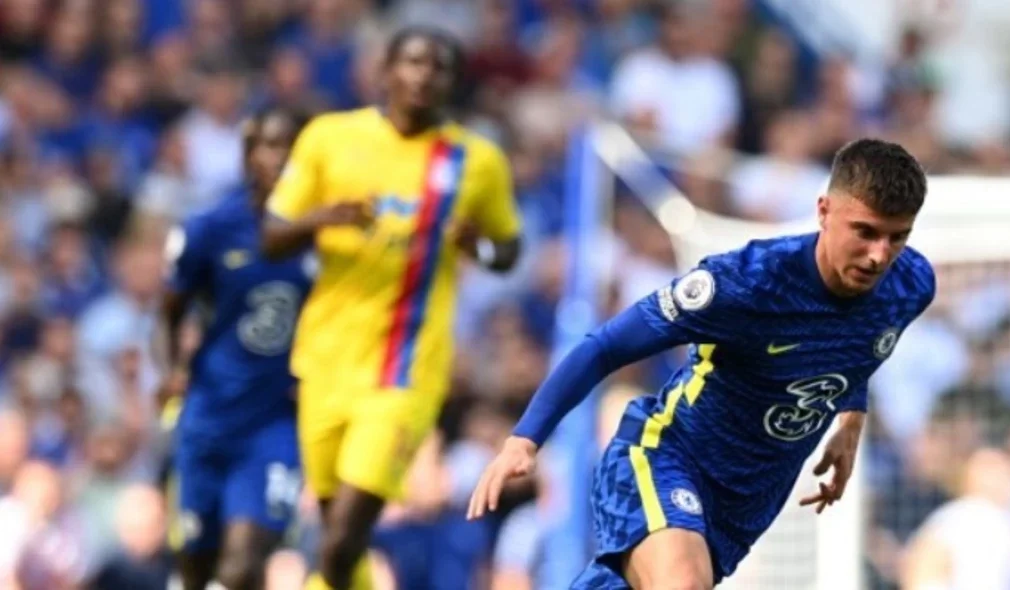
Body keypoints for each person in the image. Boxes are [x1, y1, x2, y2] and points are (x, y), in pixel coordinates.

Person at [469, 138, 936, 589]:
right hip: (667, 456)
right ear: (823, 211)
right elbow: (605, 346)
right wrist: (525, 438)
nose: (879, 256)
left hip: (744, 506)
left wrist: (850, 420)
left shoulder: (910, 286)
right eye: (866, 232)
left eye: (898, 237)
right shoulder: (746, 283)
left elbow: (861, 346)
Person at [261, 27, 523, 590]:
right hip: (325, 362)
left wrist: (476, 245)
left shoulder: (476, 162)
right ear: (385, 71)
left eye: (441, 66)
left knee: (343, 534)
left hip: (405, 371)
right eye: (413, 61)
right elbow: (273, 232)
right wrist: (322, 218)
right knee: (334, 526)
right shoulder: (329, 139)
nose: (425, 75)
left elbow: (508, 248)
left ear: (455, 83)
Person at [161, 106, 313, 590]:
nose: (283, 158)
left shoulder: (326, 237)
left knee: (245, 562)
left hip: (276, 422)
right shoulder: (210, 228)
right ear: (249, 155)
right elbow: (169, 311)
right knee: (196, 567)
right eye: (271, 145)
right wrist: (171, 369)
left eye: (295, 148)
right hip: (208, 415)